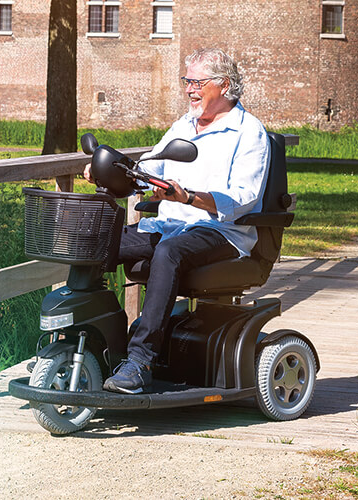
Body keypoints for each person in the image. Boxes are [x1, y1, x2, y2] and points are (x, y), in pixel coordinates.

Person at [85, 48, 271, 394]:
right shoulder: (183, 125)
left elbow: (244, 197)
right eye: (187, 81)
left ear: (224, 85)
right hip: (170, 225)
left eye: (197, 82)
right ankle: (89, 342)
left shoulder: (249, 133)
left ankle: (140, 362)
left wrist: (189, 197)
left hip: (221, 231)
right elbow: (148, 170)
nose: (189, 89)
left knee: (168, 252)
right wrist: (108, 173)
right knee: (98, 241)